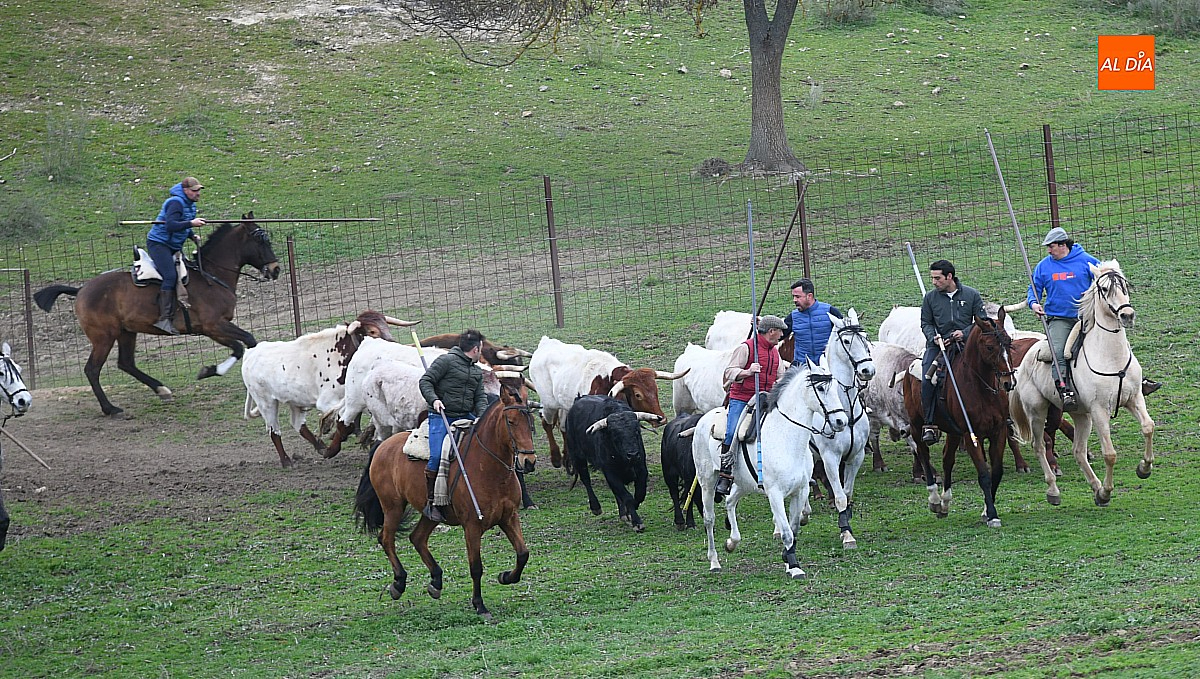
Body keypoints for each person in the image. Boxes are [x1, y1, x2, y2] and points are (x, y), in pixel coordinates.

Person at [1026, 227, 1162, 404]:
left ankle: (1137, 381)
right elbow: (1034, 288)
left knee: (1117, 341)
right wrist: (1033, 303)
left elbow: (1106, 278)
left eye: (1051, 246)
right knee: (1058, 350)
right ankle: (1064, 388)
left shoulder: (1085, 260)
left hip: (1087, 316)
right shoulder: (1044, 266)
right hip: (1060, 319)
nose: (1049, 250)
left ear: (1063, 245)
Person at [418, 329, 489, 522]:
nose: (481, 351)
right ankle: (431, 501)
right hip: (442, 416)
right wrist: (434, 400)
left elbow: (480, 397)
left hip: (465, 415)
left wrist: (482, 417)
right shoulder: (445, 361)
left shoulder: (476, 370)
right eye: (481, 348)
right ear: (476, 349)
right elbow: (426, 381)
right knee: (436, 456)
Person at [714, 314, 787, 496]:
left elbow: (780, 376)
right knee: (732, 432)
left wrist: (782, 383)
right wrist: (748, 371)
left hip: (765, 399)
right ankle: (726, 474)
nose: (781, 336)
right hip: (742, 397)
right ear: (771, 331)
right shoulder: (746, 348)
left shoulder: (774, 352)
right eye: (779, 332)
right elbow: (730, 372)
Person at [919, 259, 989, 445]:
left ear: (949, 277)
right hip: (939, 346)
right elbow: (925, 323)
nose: (934, 282)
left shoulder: (972, 295)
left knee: (990, 371)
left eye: (937, 278)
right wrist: (933, 336)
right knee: (927, 380)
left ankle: (1003, 416)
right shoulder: (930, 298)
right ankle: (930, 423)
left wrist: (964, 333)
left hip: (967, 345)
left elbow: (981, 321)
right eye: (932, 278)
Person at [146, 176, 206, 335]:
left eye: (199, 190)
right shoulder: (175, 203)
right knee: (170, 276)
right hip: (160, 244)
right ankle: (164, 319)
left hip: (172, 245)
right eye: (194, 191)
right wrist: (191, 224)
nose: (198, 193)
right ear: (185, 190)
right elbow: (171, 225)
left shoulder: (189, 204)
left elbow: (183, 222)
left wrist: (191, 235)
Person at [785, 277, 843, 365]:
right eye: (793, 297)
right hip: (802, 367)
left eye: (798, 297)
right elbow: (776, 336)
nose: (794, 300)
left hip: (828, 365)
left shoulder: (830, 312)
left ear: (809, 296)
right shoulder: (793, 317)